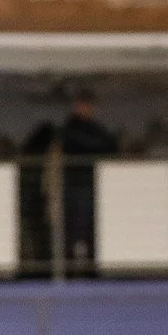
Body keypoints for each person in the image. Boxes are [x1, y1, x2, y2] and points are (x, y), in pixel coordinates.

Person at [59, 88, 118, 266]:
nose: (88, 110)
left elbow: (109, 146)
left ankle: (89, 261)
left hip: (90, 181)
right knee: (77, 223)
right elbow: (99, 145)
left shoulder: (93, 128)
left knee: (90, 223)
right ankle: (73, 262)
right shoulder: (71, 129)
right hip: (77, 182)